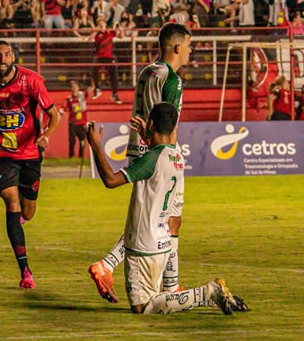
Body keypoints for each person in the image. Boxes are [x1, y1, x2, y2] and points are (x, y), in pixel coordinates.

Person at [87, 103, 248, 315]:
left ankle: (208, 293)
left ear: (151, 123)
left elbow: (110, 180)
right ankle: (209, 295)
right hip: (162, 243)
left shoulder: (150, 159)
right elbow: (159, 158)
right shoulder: (177, 157)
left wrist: (96, 145)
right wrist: (148, 137)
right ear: (173, 129)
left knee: (143, 308)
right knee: (156, 301)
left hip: (142, 246)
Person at [88, 23, 191, 303]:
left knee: (163, 219)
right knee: (162, 220)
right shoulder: (172, 79)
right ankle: (109, 265)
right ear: (178, 47)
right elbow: (169, 119)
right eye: (189, 46)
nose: (191, 51)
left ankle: (170, 286)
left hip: (140, 145)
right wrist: (171, 151)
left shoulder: (149, 70)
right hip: (160, 150)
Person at [0, 40, 60, 289]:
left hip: (30, 153)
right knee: (12, 203)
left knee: (27, 213)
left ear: (14, 57)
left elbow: (54, 114)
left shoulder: (31, 80)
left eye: (7, 54)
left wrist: (46, 136)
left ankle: (18, 220)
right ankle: (25, 271)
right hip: (1, 155)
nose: (2, 59)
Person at [91, 16, 122, 104]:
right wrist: (95, 31)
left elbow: (121, 36)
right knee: (94, 69)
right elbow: (89, 40)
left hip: (109, 57)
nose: (101, 25)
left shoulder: (110, 32)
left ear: (105, 24)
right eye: (99, 23)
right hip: (99, 57)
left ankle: (115, 94)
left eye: (102, 23)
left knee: (114, 75)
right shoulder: (97, 34)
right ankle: (97, 89)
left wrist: (120, 28)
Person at [60, 80, 90, 158]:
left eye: (75, 87)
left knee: (82, 140)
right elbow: (64, 108)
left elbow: (90, 90)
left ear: (78, 88)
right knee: (72, 142)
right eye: (72, 87)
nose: (74, 89)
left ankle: (81, 157)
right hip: (72, 124)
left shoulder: (82, 96)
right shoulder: (68, 99)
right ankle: (71, 156)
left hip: (82, 123)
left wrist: (94, 83)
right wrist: (61, 111)